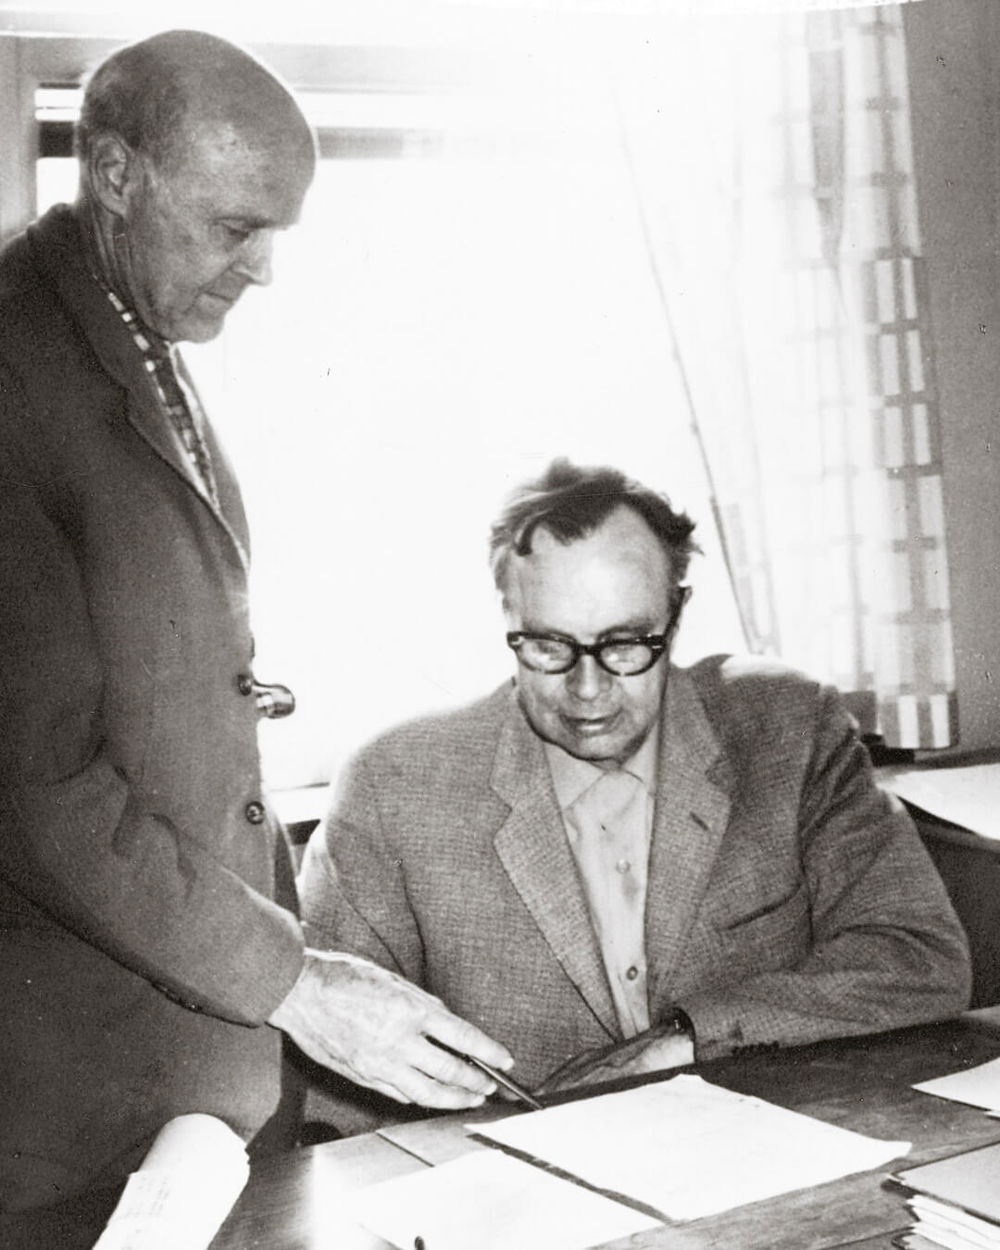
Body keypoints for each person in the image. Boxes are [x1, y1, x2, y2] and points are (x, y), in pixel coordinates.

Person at [0, 29, 510, 1214]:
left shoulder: (128, 331)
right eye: (236, 228)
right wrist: (296, 980)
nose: (263, 268)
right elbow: (36, 787)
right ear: (115, 175)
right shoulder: (15, 363)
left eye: (276, 231)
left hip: (193, 1062)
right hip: (67, 1094)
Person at [298, 458, 971, 1129]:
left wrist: (679, 1042)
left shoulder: (789, 730)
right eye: (549, 646)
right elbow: (329, 1103)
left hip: (773, 1145)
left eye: (624, 645)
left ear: (676, 616)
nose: (588, 691)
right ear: (508, 614)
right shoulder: (394, 786)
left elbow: (919, 957)